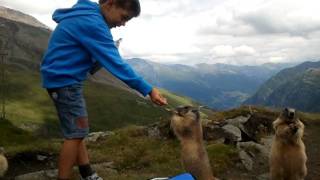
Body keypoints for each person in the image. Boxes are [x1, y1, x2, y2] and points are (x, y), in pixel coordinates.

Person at [40, 0, 167, 179]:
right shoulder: (94, 24)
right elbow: (117, 64)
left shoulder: (88, 12)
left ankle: (87, 173)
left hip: (59, 78)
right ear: (110, 4)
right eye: (124, 17)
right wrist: (148, 89)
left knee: (77, 130)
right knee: (76, 134)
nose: (122, 24)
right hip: (65, 81)